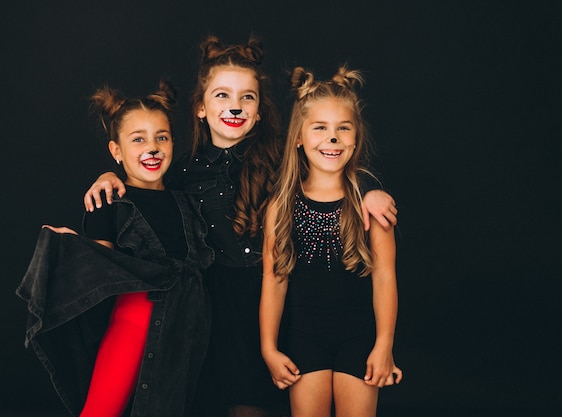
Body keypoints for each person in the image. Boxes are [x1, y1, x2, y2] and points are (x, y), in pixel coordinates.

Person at [83, 36, 397, 417]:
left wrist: (369, 190)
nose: (235, 106)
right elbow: (143, 190)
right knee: (223, 400)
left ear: (260, 111)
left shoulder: (281, 161)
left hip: (285, 301)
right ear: (200, 108)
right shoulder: (181, 172)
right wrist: (107, 175)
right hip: (217, 307)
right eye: (222, 96)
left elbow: (328, 166)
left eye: (247, 97)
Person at [17, 80, 214, 417]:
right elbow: (99, 273)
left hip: (188, 323)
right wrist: (71, 245)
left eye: (161, 137)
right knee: (103, 409)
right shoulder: (110, 201)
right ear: (116, 151)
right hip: (134, 321)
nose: (152, 148)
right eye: (138, 139)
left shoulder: (187, 197)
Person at [259, 66, 403, 417]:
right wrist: (269, 348)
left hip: (359, 336)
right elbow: (274, 278)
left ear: (356, 137)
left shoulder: (370, 204)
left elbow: (384, 276)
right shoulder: (282, 206)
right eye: (320, 128)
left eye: (343, 128)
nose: (333, 138)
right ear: (299, 137)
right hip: (303, 335)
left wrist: (384, 345)